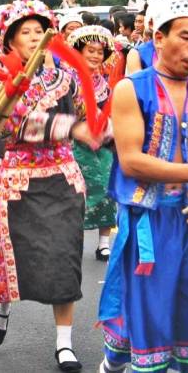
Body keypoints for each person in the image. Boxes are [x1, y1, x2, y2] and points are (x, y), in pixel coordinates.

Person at [97, 0, 188, 373]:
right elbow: (132, 160)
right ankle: (115, 363)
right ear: (159, 38)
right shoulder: (131, 88)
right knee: (151, 315)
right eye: (186, 37)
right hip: (150, 221)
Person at [0, 0, 101, 372]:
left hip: (62, 177)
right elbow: (15, 126)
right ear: (11, 42)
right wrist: (71, 127)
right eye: (25, 33)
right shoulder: (4, 80)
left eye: (39, 31)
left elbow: (89, 115)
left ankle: (63, 344)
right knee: (12, 255)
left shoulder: (67, 77)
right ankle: (2, 306)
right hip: (18, 180)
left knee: (64, 261)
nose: (34, 37)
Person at [65, 25, 117, 262]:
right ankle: (74, 242)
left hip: (102, 146)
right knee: (76, 196)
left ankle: (104, 243)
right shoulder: (66, 80)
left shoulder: (102, 84)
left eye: (100, 52)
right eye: (90, 50)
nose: (96, 56)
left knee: (107, 190)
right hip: (73, 145)